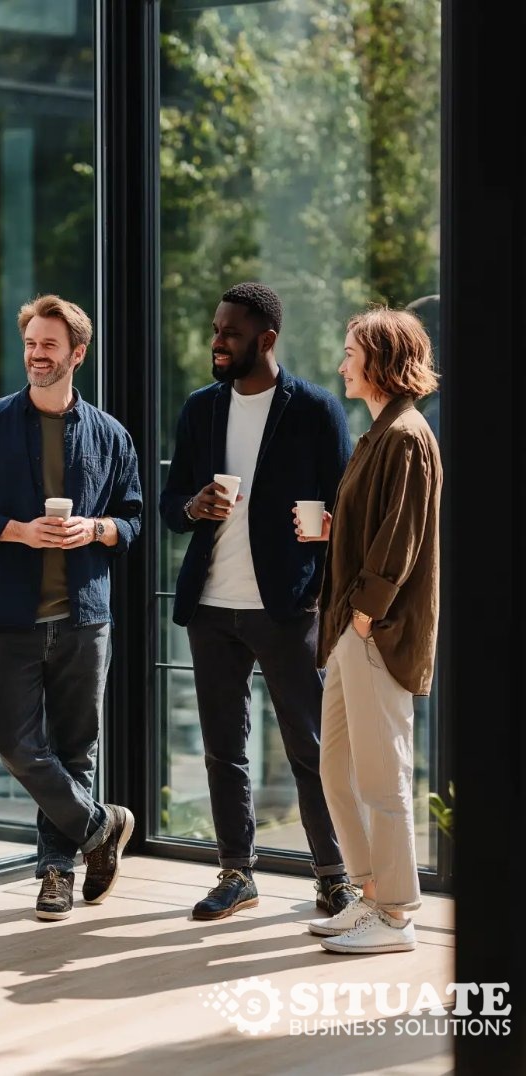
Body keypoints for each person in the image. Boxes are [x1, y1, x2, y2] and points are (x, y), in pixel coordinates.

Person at [159, 281, 357, 921]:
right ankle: (236, 872)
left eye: (231, 332)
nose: (217, 341)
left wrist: (321, 568)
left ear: (266, 338)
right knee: (223, 749)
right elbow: (170, 505)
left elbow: (345, 508)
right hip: (212, 605)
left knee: (310, 746)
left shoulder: (316, 410)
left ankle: (333, 876)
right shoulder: (201, 408)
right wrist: (194, 506)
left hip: (288, 608)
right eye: (216, 330)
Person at [0, 293, 142, 922]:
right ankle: (102, 826)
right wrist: (19, 531)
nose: (36, 354)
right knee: (17, 746)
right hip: (11, 615)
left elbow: (133, 520)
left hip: (86, 617)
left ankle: (56, 872)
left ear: (77, 354)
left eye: (49, 345)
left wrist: (96, 529)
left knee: (76, 749)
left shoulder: (111, 434)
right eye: (30, 343)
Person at [304, 306, 441, 954]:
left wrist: (365, 612)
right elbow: (379, 524)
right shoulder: (380, 434)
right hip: (350, 628)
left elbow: (401, 537)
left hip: (376, 631)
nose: (341, 366)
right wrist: (337, 533)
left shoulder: (406, 435)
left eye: (351, 354)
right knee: (336, 768)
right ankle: (370, 893)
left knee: (383, 778)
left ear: (380, 361)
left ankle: (396, 914)